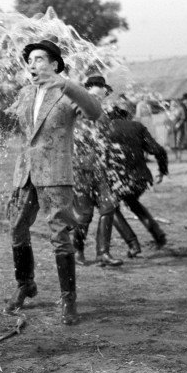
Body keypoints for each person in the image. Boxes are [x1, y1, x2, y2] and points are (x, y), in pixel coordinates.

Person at [0, 39, 103, 325]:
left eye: (39, 59)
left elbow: (94, 111)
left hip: (55, 174)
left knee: (59, 234)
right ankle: (25, 284)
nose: (32, 65)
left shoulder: (67, 92)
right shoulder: (25, 93)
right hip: (26, 174)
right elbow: (9, 126)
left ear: (55, 64)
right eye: (30, 60)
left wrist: (64, 83)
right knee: (17, 228)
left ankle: (68, 298)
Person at [72, 76, 123, 267]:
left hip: (100, 169)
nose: (97, 101)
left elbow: (108, 142)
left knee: (108, 207)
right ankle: (77, 250)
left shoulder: (103, 116)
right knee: (84, 215)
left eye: (100, 98)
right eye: (94, 97)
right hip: (79, 169)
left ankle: (103, 253)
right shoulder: (75, 113)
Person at [105, 105, 169, 252]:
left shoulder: (104, 128)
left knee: (110, 209)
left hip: (118, 179)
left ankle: (133, 244)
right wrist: (163, 170)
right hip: (140, 179)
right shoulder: (137, 127)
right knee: (132, 202)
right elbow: (158, 150)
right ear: (126, 116)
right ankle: (158, 235)